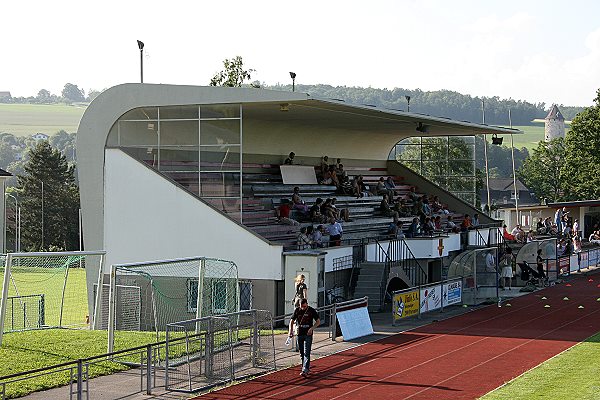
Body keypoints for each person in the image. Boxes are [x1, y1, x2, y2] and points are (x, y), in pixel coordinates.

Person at [288, 298, 320, 377]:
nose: (303, 308)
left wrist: (312, 328)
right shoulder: (297, 310)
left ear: (307, 304)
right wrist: (290, 331)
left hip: (308, 334)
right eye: (301, 306)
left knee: (307, 352)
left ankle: (305, 370)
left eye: (304, 306)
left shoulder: (311, 310)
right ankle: (305, 367)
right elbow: (291, 321)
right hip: (299, 334)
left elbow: (318, 321)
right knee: (301, 353)